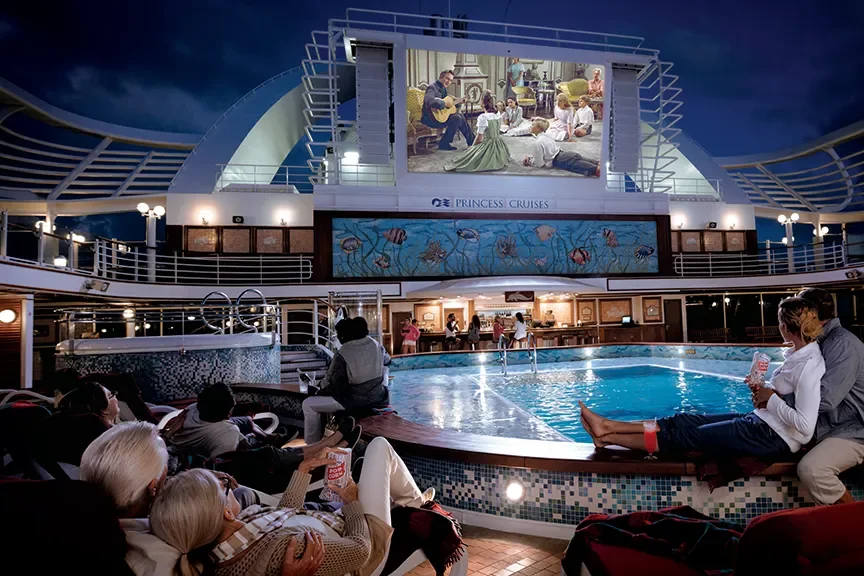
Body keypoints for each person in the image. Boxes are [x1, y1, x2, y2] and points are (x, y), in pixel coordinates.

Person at [149, 436, 436, 576]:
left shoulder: (225, 540)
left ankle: (407, 500)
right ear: (224, 511)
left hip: (327, 521)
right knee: (378, 448)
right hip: (369, 542)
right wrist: (353, 505)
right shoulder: (284, 552)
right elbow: (359, 553)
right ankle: (415, 504)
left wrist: (303, 471)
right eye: (225, 488)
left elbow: (282, 516)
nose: (232, 484)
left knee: (361, 466)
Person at [580, 297, 825, 459]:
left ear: (786, 325)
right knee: (682, 421)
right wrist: (762, 391)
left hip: (772, 437)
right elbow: (781, 395)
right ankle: (608, 426)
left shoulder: (810, 365)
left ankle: (609, 437)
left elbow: (805, 428)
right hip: (759, 421)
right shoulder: (795, 354)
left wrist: (769, 398)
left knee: (684, 437)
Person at [80, 422, 327, 576]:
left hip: (277, 519)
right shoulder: (155, 557)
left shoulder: (95, 525)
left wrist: (200, 486)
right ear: (153, 487)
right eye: (168, 469)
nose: (171, 473)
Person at [795, 288, 864, 505]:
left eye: (797, 313)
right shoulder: (822, 342)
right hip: (834, 426)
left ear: (810, 316)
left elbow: (825, 398)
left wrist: (777, 401)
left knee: (813, 469)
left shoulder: (842, 344)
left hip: (855, 430)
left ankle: (855, 526)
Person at [303, 318, 390, 443]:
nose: (337, 337)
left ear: (343, 335)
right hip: (379, 397)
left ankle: (312, 445)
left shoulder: (343, 353)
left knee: (308, 404)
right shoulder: (376, 345)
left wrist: (317, 390)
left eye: (338, 334)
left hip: (354, 401)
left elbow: (335, 385)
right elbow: (388, 361)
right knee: (385, 370)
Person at [165, 383, 284, 460]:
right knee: (247, 432)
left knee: (247, 420)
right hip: (224, 443)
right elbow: (221, 462)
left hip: (209, 425)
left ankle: (267, 437)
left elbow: (227, 426)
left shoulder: (193, 409)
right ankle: (260, 440)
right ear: (228, 413)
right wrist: (242, 439)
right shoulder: (228, 433)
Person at [34, 381, 120, 467]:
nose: (115, 396)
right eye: (110, 395)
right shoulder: (109, 437)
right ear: (103, 409)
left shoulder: (55, 426)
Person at [444, 91, 510, 172]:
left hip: (488, 145)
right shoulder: (498, 114)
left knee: (466, 158)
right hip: (499, 144)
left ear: (482, 102)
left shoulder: (483, 117)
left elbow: (479, 138)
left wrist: (472, 147)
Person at [522, 118, 600, 177]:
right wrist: (532, 157)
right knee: (597, 163)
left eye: (532, 125)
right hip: (566, 154)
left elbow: (539, 164)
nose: (530, 126)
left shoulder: (538, 142)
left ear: (538, 128)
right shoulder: (547, 136)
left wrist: (530, 162)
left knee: (597, 170)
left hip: (560, 161)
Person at [421, 70, 475, 151]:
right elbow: (429, 101)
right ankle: (471, 141)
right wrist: (443, 103)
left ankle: (472, 141)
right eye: (447, 79)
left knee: (459, 116)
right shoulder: (432, 87)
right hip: (430, 119)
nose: (448, 82)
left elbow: (449, 104)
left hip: (440, 117)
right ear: (441, 77)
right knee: (457, 118)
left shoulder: (443, 88)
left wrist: (458, 103)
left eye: (450, 80)